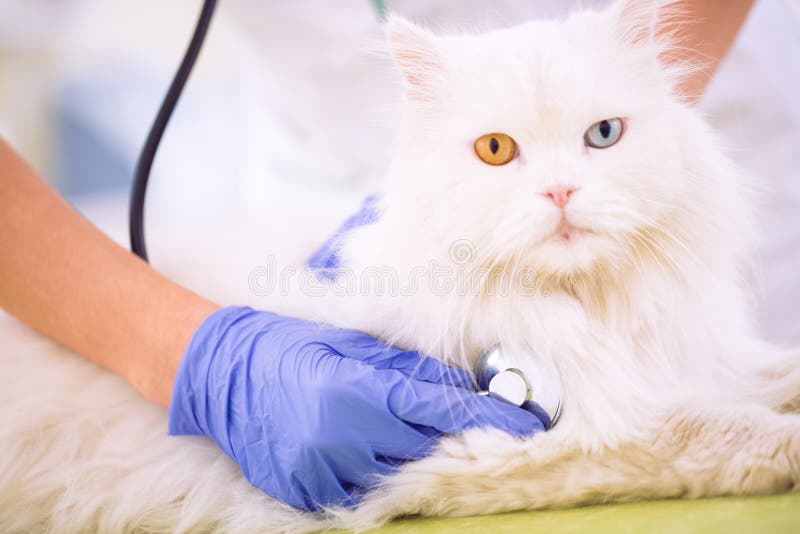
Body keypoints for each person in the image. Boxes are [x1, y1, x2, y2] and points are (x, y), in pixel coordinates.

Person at [0, 0, 754, 513]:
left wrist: (624, 89)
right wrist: (196, 358)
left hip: (690, 192)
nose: (557, 188)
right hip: (325, 199)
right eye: (499, 149)